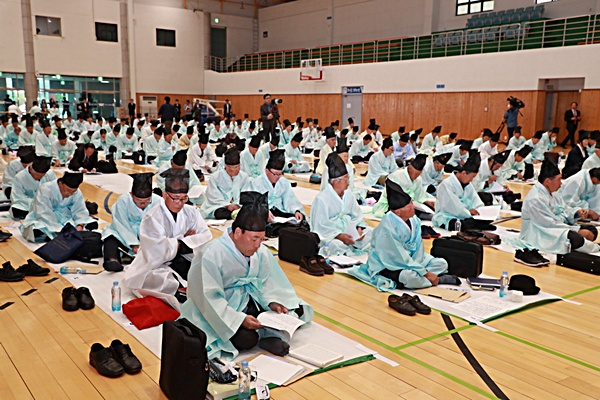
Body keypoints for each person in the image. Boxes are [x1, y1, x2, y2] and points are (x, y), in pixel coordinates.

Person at [180, 191, 313, 359]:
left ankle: (267, 334)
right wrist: (239, 319)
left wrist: (272, 302)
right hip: (221, 307)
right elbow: (209, 297)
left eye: (261, 240)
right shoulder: (211, 254)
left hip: (250, 299)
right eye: (254, 239)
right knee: (245, 338)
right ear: (237, 232)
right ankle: (264, 335)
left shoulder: (261, 251)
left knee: (295, 309)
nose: (258, 245)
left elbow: (269, 282)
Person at [349, 181, 455, 292]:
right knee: (409, 276)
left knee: (442, 263)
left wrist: (419, 268)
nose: (412, 207)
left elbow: (418, 248)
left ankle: (422, 280)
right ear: (398, 211)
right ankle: (435, 279)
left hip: (411, 259)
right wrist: (425, 273)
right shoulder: (387, 227)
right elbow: (398, 256)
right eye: (408, 206)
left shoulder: (414, 220)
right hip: (388, 263)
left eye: (411, 203)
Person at [122, 168, 212, 295]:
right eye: (176, 198)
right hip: (156, 263)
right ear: (165, 195)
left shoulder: (191, 211)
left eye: (184, 198)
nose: (180, 203)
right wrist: (182, 241)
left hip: (185, 256)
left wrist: (178, 243)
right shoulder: (152, 217)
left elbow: (205, 235)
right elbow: (156, 249)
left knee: (206, 270)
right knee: (162, 280)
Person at [514, 157, 599, 266]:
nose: (561, 183)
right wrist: (575, 230)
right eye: (558, 180)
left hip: (556, 227)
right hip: (539, 232)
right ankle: (594, 247)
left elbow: (565, 209)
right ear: (548, 181)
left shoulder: (554, 193)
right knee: (576, 238)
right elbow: (548, 224)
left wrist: (576, 212)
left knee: (591, 230)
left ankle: (583, 244)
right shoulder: (535, 199)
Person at [310, 153, 372, 256]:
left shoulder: (348, 194)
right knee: (336, 245)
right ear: (336, 181)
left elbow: (357, 216)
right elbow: (320, 227)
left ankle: (351, 249)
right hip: (333, 236)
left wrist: (358, 229)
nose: (348, 182)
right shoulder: (322, 199)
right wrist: (339, 236)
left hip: (351, 232)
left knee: (371, 232)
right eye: (345, 179)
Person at [102, 173, 161, 272]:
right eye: (138, 201)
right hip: (125, 233)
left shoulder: (158, 201)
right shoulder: (123, 200)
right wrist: (133, 244)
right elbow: (120, 223)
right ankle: (113, 260)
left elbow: (160, 225)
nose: (143, 204)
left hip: (148, 235)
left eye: (147, 201)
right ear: (131, 194)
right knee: (111, 236)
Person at [20, 171, 96, 242]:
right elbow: (43, 212)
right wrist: (59, 230)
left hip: (66, 219)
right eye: (67, 191)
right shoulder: (45, 189)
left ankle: (60, 235)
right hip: (44, 219)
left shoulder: (77, 192)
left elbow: (80, 210)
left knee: (90, 224)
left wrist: (80, 225)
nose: (69, 194)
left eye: (73, 192)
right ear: (60, 183)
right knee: (36, 230)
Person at [432, 154, 489, 232]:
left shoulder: (468, 185)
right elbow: (453, 207)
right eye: (472, 177)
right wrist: (468, 212)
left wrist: (479, 210)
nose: (472, 180)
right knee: (465, 225)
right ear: (464, 173)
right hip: (447, 217)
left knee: (482, 222)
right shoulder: (446, 184)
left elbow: (475, 200)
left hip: (466, 215)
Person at [371, 154, 435, 219]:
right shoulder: (396, 176)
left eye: (418, 175)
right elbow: (392, 196)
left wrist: (426, 202)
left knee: (429, 211)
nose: (415, 177)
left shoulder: (418, 179)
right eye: (415, 174)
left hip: (411, 205)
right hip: (393, 205)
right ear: (410, 168)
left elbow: (419, 196)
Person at [250, 149, 305, 221]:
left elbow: (290, 199)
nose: (277, 177)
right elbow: (253, 203)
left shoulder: (284, 182)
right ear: (267, 171)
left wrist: (296, 211)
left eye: (280, 174)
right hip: (265, 214)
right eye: (275, 174)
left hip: (281, 212)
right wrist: (264, 211)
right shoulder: (256, 182)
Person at [200, 148, 250, 220]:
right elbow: (213, 196)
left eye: (239, 166)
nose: (238, 169)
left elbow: (246, 193)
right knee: (219, 213)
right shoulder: (215, 177)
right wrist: (227, 205)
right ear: (226, 166)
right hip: (220, 206)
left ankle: (236, 214)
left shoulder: (244, 176)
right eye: (235, 167)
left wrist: (237, 205)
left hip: (238, 206)